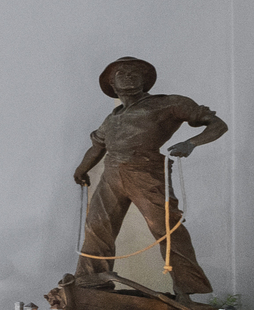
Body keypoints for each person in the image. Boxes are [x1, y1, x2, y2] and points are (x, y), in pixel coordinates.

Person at [73, 56, 224, 297]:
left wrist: (191, 143)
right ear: (112, 84)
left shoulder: (168, 104)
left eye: (135, 72)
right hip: (112, 173)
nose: (129, 76)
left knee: (166, 228)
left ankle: (188, 288)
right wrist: (81, 169)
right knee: (97, 227)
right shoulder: (113, 117)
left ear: (146, 80)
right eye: (121, 73)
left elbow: (217, 124)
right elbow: (98, 147)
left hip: (146, 172)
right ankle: (91, 284)